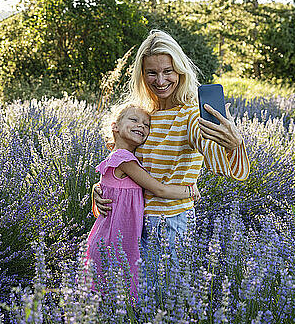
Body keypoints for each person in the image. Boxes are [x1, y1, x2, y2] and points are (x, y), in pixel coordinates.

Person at [92, 29, 249, 295]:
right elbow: (121, 163)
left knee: (163, 299)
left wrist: (234, 144)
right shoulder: (142, 114)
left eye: (168, 71)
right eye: (152, 72)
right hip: (130, 219)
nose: (161, 80)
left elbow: (226, 167)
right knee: (130, 296)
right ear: (142, 75)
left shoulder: (190, 116)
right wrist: (100, 190)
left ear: (180, 71)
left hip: (168, 223)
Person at [86, 102, 200, 300]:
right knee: (118, 295)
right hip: (114, 241)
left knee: (113, 295)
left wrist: (96, 189)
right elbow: (158, 188)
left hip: (114, 238)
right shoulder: (124, 159)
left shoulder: (123, 157)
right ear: (115, 126)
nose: (141, 126)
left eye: (147, 124)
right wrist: (190, 191)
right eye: (134, 120)